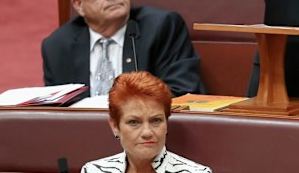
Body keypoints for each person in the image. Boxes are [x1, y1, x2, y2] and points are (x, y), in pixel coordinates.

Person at [42, 0, 206, 97]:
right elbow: (55, 109)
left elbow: (183, 91)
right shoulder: (57, 47)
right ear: (79, 5)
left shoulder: (162, 27)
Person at [80, 71, 212, 172]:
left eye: (156, 120)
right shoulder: (94, 170)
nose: (147, 132)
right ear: (115, 126)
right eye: (134, 122)